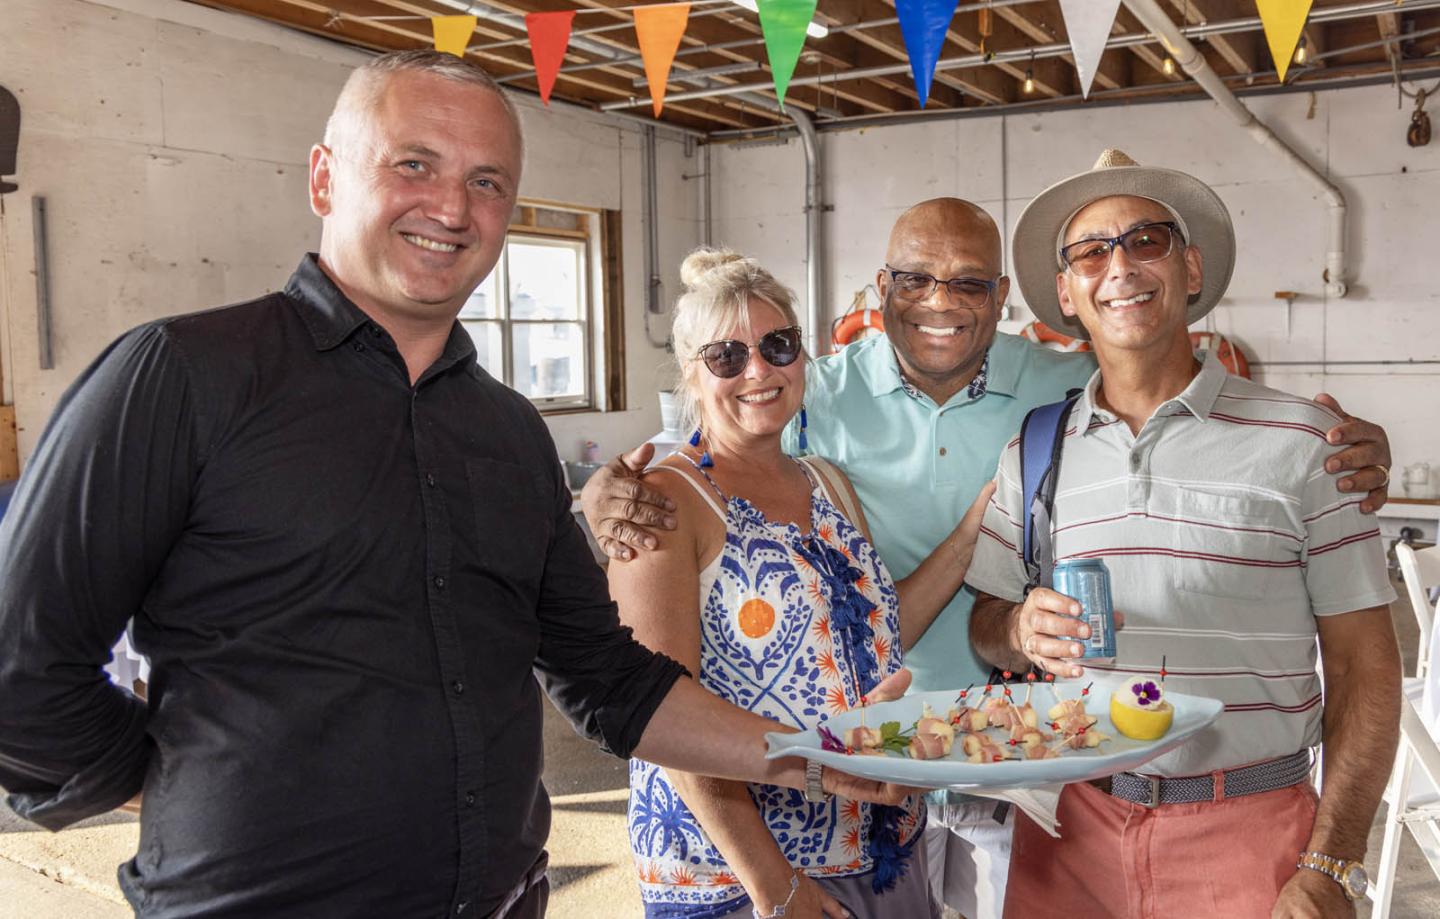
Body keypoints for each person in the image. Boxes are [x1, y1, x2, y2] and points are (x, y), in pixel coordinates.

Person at [0, 51, 914, 918]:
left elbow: (608, 680)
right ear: (325, 178)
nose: (451, 205)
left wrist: (812, 755)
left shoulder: (509, 432)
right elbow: (20, 668)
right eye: (413, 164)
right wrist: (185, 788)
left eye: (487, 181)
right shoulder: (183, 377)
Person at [581, 198, 1395, 918]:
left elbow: (1152, 364)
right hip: (847, 787)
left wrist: (1353, 445)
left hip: (1005, 773)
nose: (941, 301)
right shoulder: (814, 387)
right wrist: (603, 490)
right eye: (916, 279)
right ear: (881, 287)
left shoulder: (1059, 385)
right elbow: (707, 440)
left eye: (970, 282)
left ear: (1007, 298)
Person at [966, 149, 1401, 918]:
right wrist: (1019, 627)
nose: (1121, 266)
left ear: (1190, 269)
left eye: (1147, 240)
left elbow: (1367, 673)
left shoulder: (1306, 443)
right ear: (1066, 293)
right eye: (1091, 251)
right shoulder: (1035, 452)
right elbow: (987, 628)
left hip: (1250, 835)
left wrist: (1334, 859)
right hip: (1068, 835)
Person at [614, 248, 993, 919]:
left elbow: (881, 628)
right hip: (743, 877)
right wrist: (774, 887)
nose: (758, 370)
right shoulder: (662, 504)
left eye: (777, 345)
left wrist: (972, 531)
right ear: (693, 375)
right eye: (726, 355)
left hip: (877, 848)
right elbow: (660, 717)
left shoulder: (826, 481)